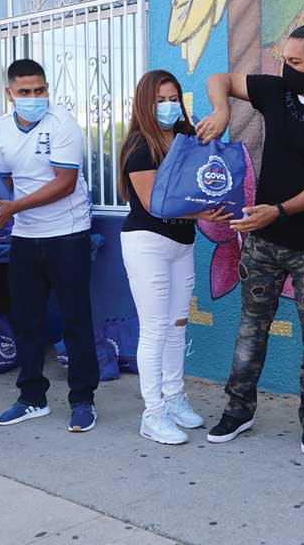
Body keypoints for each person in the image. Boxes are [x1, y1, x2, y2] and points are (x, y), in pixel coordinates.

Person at [196, 23, 304, 454]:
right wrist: (223, 110)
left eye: (296, 62)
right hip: (262, 244)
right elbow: (222, 80)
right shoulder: (276, 93)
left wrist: (279, 210)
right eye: (284, 59)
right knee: (251, 328)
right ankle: (238, 409)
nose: (286, 68)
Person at [118, 70, 232, 445]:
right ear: (145, 104)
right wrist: (201, 212)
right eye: (159, 100)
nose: (168, 107)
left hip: (182, 245)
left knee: (177, 325)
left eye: (173, 99)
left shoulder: (187, 139)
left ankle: (174, 396)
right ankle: (153, 414)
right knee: (154, 329)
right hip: (147, 242)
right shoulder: (139, 146)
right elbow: (154, 204)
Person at [0, 59, 99, 432]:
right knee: (26, 321)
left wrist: (14, 208)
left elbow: (65, 182)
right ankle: (31, 397)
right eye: (24, 92)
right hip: (24, 236)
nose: (34, 98)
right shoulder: (1, 128)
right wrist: (2, 208)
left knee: (75, 320)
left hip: (67, 234)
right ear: (10, 94)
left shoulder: (62, 122)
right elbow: (4, 176)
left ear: (47, 89)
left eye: (39, 91)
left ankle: (83, 400)